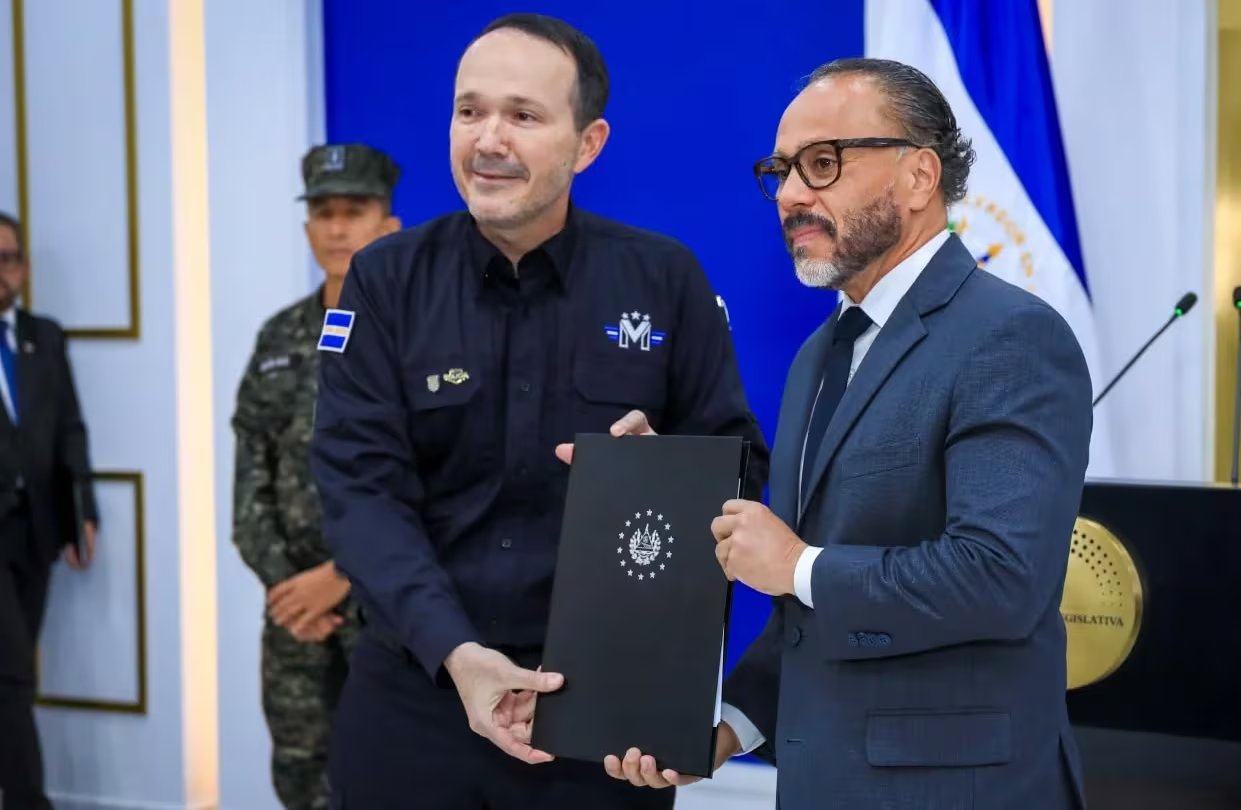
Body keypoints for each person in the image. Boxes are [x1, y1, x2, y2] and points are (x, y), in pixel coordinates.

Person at [604, 58, 1092, 809]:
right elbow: (808, 603)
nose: (793, 194)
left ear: (919, 176)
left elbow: (1001, 580)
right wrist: (727, 726)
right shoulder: (819, 356)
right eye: (782, 170)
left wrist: (798, 565)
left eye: (823, 164)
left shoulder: (1012, 337)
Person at [308, 13, 768, 809]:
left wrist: (670, 471)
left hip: (604, 715)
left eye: (522, 115)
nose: (488, 139)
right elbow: (358, 491)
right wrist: (457, 653)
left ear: (588, 143)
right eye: (469, 111)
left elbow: (742, 475)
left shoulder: (663, 279)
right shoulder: (385, 280)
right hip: (420, 689)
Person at [230, 143, 401, 810]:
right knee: (301, 778)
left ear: (388, 224)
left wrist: (345, 577)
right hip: (293, 614)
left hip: (387, 609)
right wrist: (286, 587)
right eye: (323, 213)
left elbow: (434, 479)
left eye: (353, 211)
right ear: (306, 228)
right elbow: (250, 475)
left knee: (391, 780)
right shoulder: (279, 337)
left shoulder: (418, 333)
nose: (336, 228)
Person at [0, 211, 100, 810]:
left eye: (8, 258)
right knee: (11, 674)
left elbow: (69, 427)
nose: (0, 270)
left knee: (12, 673)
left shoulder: (45, 336)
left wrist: (80, 508)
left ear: (24, 268)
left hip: (34, 527)